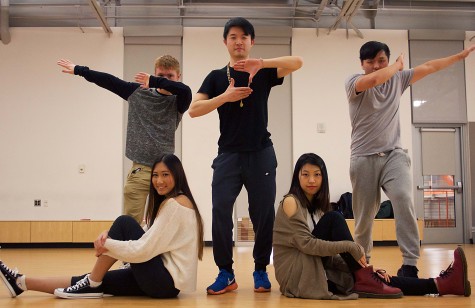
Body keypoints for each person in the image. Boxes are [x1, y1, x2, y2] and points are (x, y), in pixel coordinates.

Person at [189, 17, 303, 295]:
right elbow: (193, 109)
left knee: (263, 214)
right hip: (228, 154)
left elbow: (297, 61)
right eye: (233, 37)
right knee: (220, 212)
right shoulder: (216, 77)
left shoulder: (263, 72)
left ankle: (261, 269)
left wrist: (261, 63)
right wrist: (223, 98)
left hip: (261, 153)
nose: (238, 41)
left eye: (244, 37)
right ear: (225, 42)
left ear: (252, 42)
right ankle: (226, 273)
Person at [345, 41, 475, 278]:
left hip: (394, 154)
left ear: (388, 59)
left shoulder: (398, 78)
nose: (375, 66)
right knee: (364, 216)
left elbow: (430, 67)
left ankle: (409, 263)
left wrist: (459, 56)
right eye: (370, 62)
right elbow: (374, 80)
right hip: (363, 157)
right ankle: (363, 264)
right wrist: (395, 66)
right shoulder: (354, 82)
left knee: (404, 198)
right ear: (361, 64)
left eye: (381, 60)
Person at [0, 154, 204, 299]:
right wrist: (110, 238)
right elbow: (148, 235)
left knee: (124, 222)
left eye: (165, 174)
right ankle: (21, 283)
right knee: (91, 279)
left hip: (163, 282)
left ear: (177, 175)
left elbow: (144, 248)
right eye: (155, 175)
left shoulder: (175, 205)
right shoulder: (174, 202)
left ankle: (91, 284)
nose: (159, 181)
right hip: (162, 282)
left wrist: (109, 244)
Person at [272, 153, 471, 300]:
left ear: (323, 178)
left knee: (378, 278)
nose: (312, 180)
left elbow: (325, 254)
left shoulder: (317, 209)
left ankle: (441, 284)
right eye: (305, 174)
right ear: (297, 177)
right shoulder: (291, 202)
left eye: (317, 174)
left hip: (313, 266)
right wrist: (349, 246)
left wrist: (366, 268)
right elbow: (307, 245)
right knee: (334, 218)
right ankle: (365, 276)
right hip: (296, 274)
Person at [57, 56, 192, 224]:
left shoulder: (179, 100)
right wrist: (79, 70)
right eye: (160, 75)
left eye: (169, 76)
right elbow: (109, 81)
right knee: (131, 223)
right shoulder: (137, 92)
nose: (164, 80)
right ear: (154, 73)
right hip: (140, 169)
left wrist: (155, 80)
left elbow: (186, 90)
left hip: (165, 170)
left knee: (167, 222)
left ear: (178, 76)